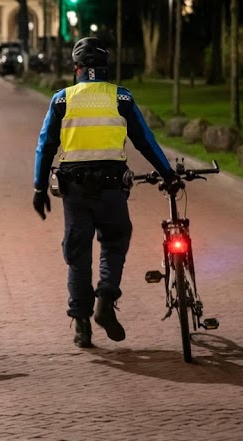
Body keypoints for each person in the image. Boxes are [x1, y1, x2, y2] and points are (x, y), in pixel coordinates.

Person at [32, 37, 178, 348]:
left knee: (78, 253)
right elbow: (146, 142)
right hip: (112, 187)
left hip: (74, 188)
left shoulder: (61, 100)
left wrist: (39, 186)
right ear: (106, 68)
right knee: (114, 242)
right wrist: (169, 174)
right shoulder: (122, 98)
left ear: (77, 69)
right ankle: (106, 300)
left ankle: (81, 326)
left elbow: (46, 147)